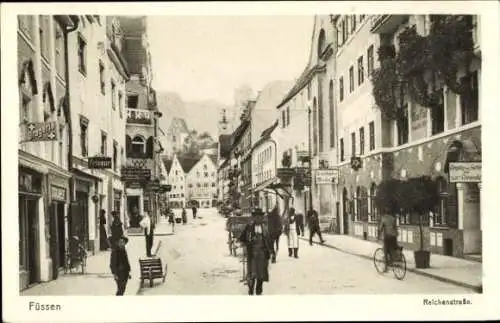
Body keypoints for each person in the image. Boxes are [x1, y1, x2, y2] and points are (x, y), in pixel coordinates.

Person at [238, 208, 273, 296]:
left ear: (262, 218)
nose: (258, 218)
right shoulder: (249, 227)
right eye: (256, 216)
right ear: (254, 217)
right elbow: (242, 238)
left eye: (260, 217)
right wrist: (246, 244)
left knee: (261, 274)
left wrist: (271, 251)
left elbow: (269, 240)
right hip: (252, 254)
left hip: (262, 254)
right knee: (252, 274)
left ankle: (259, 290)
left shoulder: (265, 228)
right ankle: (251, 290)